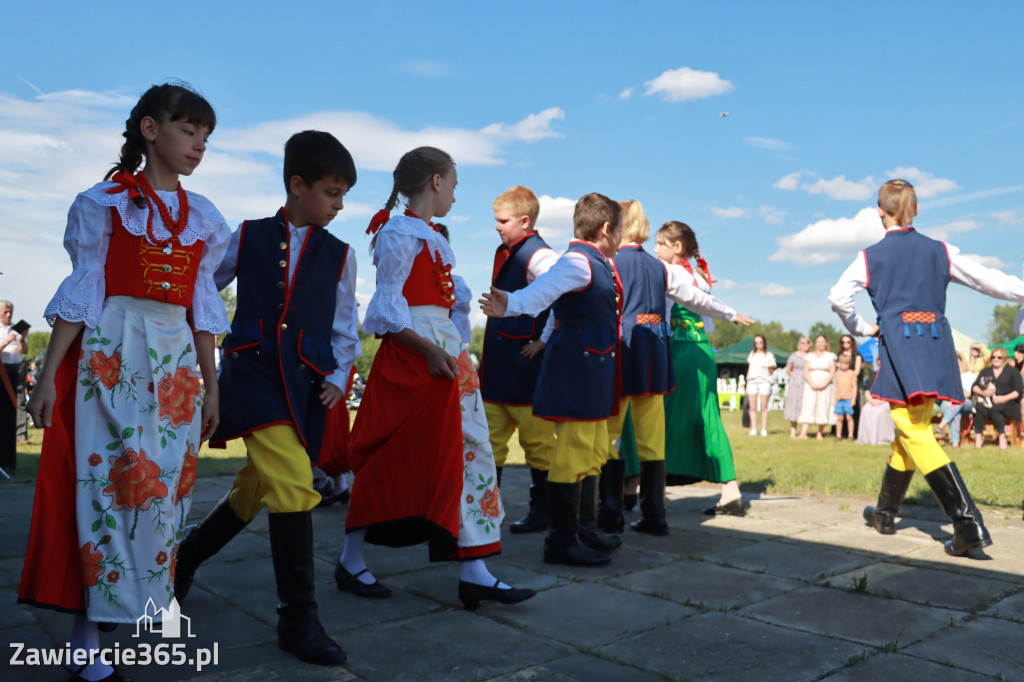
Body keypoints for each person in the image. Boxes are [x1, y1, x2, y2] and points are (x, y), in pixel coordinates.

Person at [19, 83, 229, 682]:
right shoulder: (105, 201)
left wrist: (211, 387)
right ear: (150, 130)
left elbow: (203, 311)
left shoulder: (206, 217)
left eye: (206, 137)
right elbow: (82, 292)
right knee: (104, 487)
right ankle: (86, 641)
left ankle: (129, 613)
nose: (198, 145)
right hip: (112, 348)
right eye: (189, 131)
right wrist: (49, 376)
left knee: (160, 495)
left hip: (175, 361)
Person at [174, 130, 360, 666]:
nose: (339, 204)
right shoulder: (249, 236)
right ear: (297, 186)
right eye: (331, 192)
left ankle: (188, 555)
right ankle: (297, 615)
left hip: (303, 385)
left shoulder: (342, 256)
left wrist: (339, 376)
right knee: (295, 484)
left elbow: (346, 329)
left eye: (344, 194)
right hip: (252, 374)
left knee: (258, 485)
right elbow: (204, 285)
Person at [341, 147, 534, 611]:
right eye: (453, 182)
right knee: (397, 454)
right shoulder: (399, 232)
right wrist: (430, 349)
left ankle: (475, 568)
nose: (453, 192)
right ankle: (349, 559)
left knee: (470, 453)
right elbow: (386, 309)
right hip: (416, 353)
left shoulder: (427, 234)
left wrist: (450, 343)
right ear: (435, 182)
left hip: (442, 349)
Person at [830, 178, 1024, 556]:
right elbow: (990, 281)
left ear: (878, 213)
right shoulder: (941, 250)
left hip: (900, 348)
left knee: (914, 431)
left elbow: (837, 297)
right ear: (917, 210)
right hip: (936, 345)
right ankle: (885, 512)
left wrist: (861, 327)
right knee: (912, 429)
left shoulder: (868, 257)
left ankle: (967, 523)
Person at [481, 193, 625, 566]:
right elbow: (543, 291)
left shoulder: (599, 262)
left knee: (592, 450)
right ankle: (561, 540)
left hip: (593, 369)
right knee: (572, 451)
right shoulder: (577, 261)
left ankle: (584, 530)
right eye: (620, 230)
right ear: (607, 228)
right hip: (577, 370)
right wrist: (510, 304)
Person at [601, 203, 753, 535]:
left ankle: (622, 497)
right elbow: (703, 309)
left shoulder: (648, 268)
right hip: (688, 351)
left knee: (629, 420)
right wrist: (729, 312)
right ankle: (655, 504)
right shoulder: (683, 272)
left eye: (661, 244)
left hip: (673, 350)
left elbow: (668, 308)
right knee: (673, 422)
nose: (655, 249)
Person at [654, 221, 752, 516]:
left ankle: (646, 492)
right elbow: (706, 321)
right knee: (709, 418)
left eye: (660, 244)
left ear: (677, 247)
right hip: (703, 351)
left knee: (660, 419)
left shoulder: (667, 272)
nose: (655, 249)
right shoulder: (699, 276)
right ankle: (731, 491)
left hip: (679, 350)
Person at [477, 186, 559, 536]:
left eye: (503, 221)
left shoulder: (541, 257)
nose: (497, 226)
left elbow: (562, 296)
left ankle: (544, 512)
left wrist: (544, 340)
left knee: (538, 445)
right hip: (498, 367)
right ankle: (485, 512)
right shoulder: (507, 251)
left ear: (525, 221)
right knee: (488, 442)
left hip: (526, 368)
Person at [971, 347, 1022, 449]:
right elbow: (974, 386)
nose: (996, 359)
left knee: (996, 409)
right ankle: (978, 438)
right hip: (989, 403)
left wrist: (1003, 398)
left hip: (1009, 404)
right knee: (978, 408)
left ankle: (1002, 438)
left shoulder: (1013, 371)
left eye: (999, 357)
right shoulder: (986, 371)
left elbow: (1018, 391)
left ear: (1004, 358)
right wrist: (982, 392)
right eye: (993, 357)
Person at [0, 299, 27, 470]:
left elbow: (24, 351)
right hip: (1, 372)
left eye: (10, 312)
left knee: (18, 406)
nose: (9, 315)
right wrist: (6, 342)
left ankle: (10, 459)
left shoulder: (17, 328)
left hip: (16, 370)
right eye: (5, 312)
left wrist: (23, 339)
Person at [796, 335, 837, 440]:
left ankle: (820, 432)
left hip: (825, 383)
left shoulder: (830, 356)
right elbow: (806, 371)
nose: (820, 344)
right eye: (818, 342)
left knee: (822, 405)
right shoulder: (810, 356)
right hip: (811, 383)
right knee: (808, 406)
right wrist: (812, 383)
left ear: (826, 343)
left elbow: (832, 372)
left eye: (822, 342)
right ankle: (803, 433)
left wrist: (824, 383)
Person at [937, 353, 975, 448]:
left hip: (966, 402)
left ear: (962, 361)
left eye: (957, 360)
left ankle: (942, 424)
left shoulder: (970, 376)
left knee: (958, 403)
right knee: (955, 412)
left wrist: (956, 398)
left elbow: (970, 392)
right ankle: (955, 443)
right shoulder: (946, 377)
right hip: (948, 403)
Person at [745, 334, 776, 436]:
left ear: (764, 342)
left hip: (764, 381)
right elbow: (749, 369)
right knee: (752, 406)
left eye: (760, 342)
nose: (758, 344)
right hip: (752, 381)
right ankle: (753, 428)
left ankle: (764, 429)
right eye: (756, 342)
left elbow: (771, 369)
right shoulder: (752, 354)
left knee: (764, 406)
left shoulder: (769, 355)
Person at [784, 337, 810, 438]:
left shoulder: (811, 356)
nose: (805, 345)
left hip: (807, 383)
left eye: (807, 343)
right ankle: (793, 431)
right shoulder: (794, 356)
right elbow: (789, 369)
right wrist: (796, 377)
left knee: (805, 406)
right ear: (799, 344)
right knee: (794, 406)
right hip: (795, 384)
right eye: (803, 343)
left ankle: (804, 432)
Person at [833, 353, 858, 439]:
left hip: (848, 399)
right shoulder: (837, 374)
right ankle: (838, 435)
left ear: (849, 364)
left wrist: (853, 399)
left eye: (846, 364)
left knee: (849, 417)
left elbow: (854, 387)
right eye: (842, 363)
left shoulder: (852, 373)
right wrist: (834, 399)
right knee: (839, 418)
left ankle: (850, 435)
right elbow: (835, 387)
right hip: (839, 399)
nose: (844, 366)